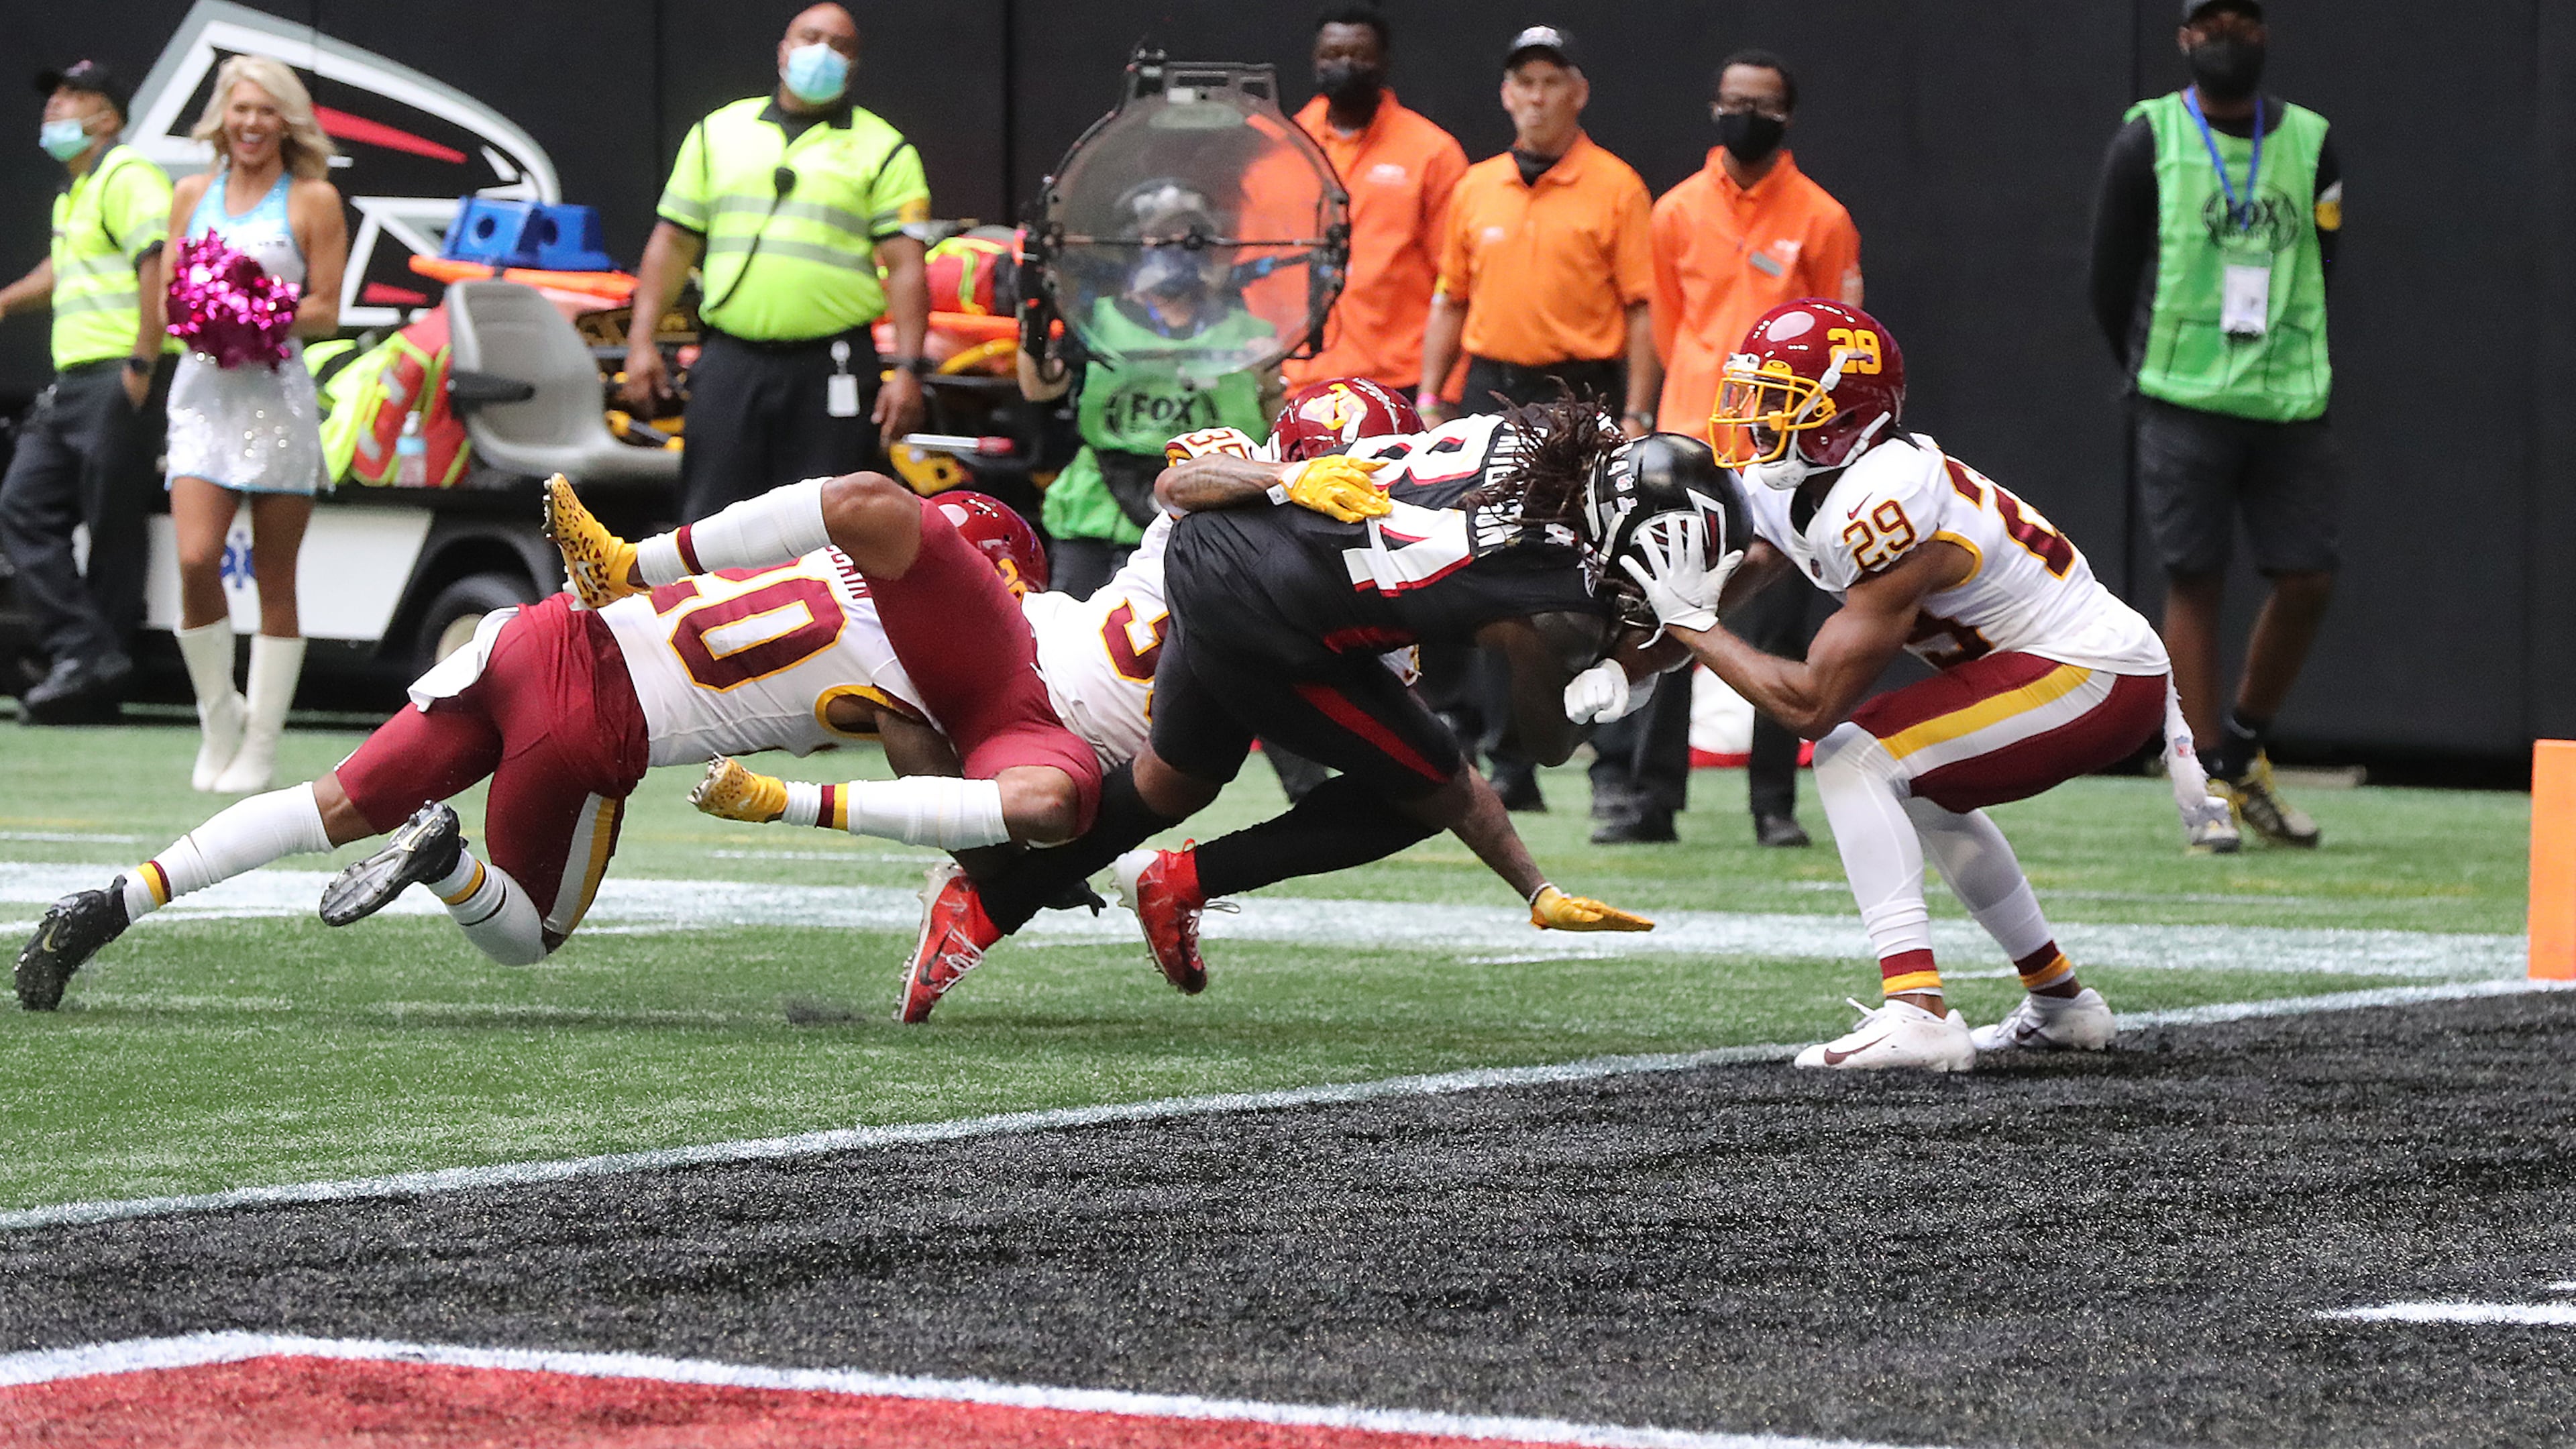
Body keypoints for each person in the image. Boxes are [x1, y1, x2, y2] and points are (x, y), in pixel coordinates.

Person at [692, 410, 1654, 1020]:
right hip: (1048, 719)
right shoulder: (1266, 514)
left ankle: (1123, 885)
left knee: (1192, 777)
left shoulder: (1321, 548)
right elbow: (1183, 484)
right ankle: (884, 842)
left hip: (1103, 698)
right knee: (1408, 783)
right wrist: (1529, 880)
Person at [13, 490, 1060, 1012]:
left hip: (534, 633)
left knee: (331, 798)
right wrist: (1012, 857)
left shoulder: (821, 551)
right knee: (524, 939)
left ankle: (119, 898)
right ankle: (447, 862)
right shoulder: (924, 660)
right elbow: (941, 790)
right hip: (597, 721)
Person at [1618, 300, 2237, 1072]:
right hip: (2071, 669)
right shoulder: (1800, 481)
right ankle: (2060, 1002)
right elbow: (1719, 591)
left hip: (2094, 675)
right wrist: (1630, 660)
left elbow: (1811, 703)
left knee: (1853, 754)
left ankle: (1916, 1010)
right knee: (1922, 785)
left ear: (1841, 414)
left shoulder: (1888, 498)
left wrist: (1689, 628)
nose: (1754, 416)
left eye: (1779, 400)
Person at [2089, 0, 2340, 848]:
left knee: (2306, 578)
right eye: (2208, 23)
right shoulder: (2149, 136)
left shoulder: (2310, 139)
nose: (2224, 36)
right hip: (2182, 396)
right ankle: (2204, 788)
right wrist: (2148, 367)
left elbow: (2326, 260)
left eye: (2241, 20)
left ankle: (2244, 750)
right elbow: (2109, 274)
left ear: (2264, 34)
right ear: (2185, 39)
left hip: (2288, 398)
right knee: (2195, 578)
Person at [1415, 25, 1656, 813]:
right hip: (1494, 389)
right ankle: (1508, 758)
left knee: (1611, 567)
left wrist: (1638, 409)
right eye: (1525, 82)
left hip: (1581, 390)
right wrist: (1430, 395)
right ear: (1506, 94)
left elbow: (1642, 308)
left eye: (1552, 81)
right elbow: (1450, 295)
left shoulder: (1616, 186)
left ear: (1576, 92)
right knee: (1492, 567)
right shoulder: (1477, 186)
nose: (1538, 97)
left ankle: (1612, 766)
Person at [1631, 48, 1864, 849]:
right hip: (1692, 443)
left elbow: (1842, 337)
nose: (1745, 116)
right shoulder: (1676, 210)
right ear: (1714, 107)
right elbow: (1667, 325)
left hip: (1786, 454)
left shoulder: (1822, 217)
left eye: (1762, 105)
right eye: (1733, 101)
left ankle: (1773, 804)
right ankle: (1651, 799)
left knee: (1780, 630)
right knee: (1674, 610)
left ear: (1786, 115)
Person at [623, 3, 932, 523]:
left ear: (855, 65)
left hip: (831, 367)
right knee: (708, 525)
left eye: (840, 46)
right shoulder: (717, 133)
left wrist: (906, 370)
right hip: (730, 363)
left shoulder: (886, 150)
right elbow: (672, 244)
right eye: (810, 37)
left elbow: (906, 268)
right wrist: (640, 342)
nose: (822, 53)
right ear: (784, 50)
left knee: (824, 532)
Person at [162, 55, 347, 794]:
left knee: (276, 577)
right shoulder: (190, 193)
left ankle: (263, 747)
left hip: (277, 400)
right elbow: (173, 299)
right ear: (222, 118)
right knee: (195, 559)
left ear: (287, 121)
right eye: (241, 109)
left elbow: (328, 308)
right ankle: (218, 720)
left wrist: (258, 314)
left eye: (267, 111)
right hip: (204, 399)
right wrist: (205, 317)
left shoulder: (313, 199)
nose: (251, 124)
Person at [0, 60, 172, 726]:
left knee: (112, 525)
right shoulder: (79, 193)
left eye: (73, 98)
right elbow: (60, 269)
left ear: (109, 118)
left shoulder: (128, 176)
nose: (56, 109)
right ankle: (87, 655)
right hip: (74, 382)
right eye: (53, 98)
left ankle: (93, 672)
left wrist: (141, 365)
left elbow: (158, 262)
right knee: (22, 505)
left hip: (119, 374)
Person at [1024, 181, 1281, 598]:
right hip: (1097, 516)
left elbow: (1275, 433)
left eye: (1191, 234)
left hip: (1211, 517)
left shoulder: (1251, 338)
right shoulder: (1095, 322)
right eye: (1164, 235)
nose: (1179, 246)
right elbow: (1038, 389)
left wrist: (1269, 379)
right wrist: (1032, 313)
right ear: (1135, 245)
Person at [1281, 7, 1469, 405]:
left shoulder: (1432, 153)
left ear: (1384, 63)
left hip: (1400, 382)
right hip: (1303, 382)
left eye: (1359, 55)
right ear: (1315, 61)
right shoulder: (1284, 148)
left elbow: (1458, 284)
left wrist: (1441, 395)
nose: (1345, 65)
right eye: (1332, 55)